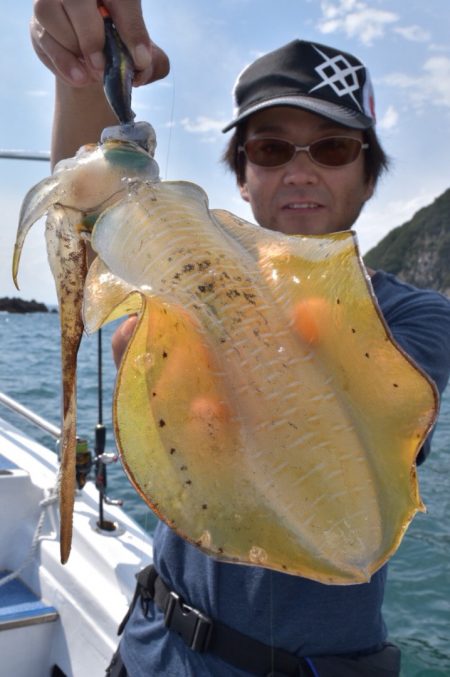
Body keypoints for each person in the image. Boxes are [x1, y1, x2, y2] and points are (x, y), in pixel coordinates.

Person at [31, 2, 450, 675]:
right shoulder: (190, 264)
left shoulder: (415, 315)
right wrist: (81, 67)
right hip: (149, 647)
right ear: (243, 170)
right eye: (272, 147)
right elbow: (89, 204)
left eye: (334, 147)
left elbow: (369, 428)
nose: (301, 169)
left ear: (370, 172)